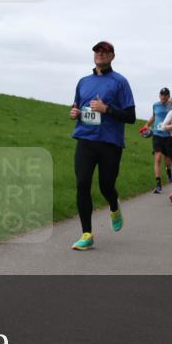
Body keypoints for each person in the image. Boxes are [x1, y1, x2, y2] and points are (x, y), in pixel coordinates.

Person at [68, 41, 136, 250]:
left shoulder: (120, 82)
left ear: (112, 57)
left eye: (105, 52)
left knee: (106, 186)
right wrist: (75, 113)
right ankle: (86, 234)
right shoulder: (83, 81)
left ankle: (114, 206)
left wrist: (107, 109)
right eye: (97, 51)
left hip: (110, 142)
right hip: (85, 139)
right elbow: (77, 106)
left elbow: (131, 117)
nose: (100, 54)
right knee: (82, 184)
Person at [141, 87, 172, 194]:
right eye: (162, 95)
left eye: (166, 95)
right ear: (159, 96)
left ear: (168, 96)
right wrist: (146, 125)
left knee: (168, 159)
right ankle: (158, 185)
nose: (163, 97)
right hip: (157, 134)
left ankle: (168, 170)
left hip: (169, 135)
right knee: (158, 157)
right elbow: (154, 116)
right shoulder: (155, 105)